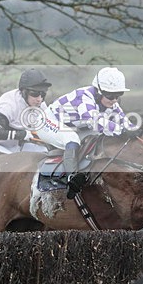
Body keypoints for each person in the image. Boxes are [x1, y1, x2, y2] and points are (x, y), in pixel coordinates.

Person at [49, 67, 136, 197]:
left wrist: (135, 130)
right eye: (110, 95)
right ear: (98, 91)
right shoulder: (83, 97)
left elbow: (124, 122)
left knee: (100, 137)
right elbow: (94, 121)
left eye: (118, 95)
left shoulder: (111, 103)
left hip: (76, 125)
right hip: (51, 121)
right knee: (71, 139)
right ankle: (71, 178)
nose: (114, 100)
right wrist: (122, 130)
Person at [0, 68, 81, 171]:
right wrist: (21, 134)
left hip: (18, 147)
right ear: (23, 91)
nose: (39, 99)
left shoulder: (41, 106)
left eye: (43, 94)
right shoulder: (9, 103)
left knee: (45, 153)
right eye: (35, 94)